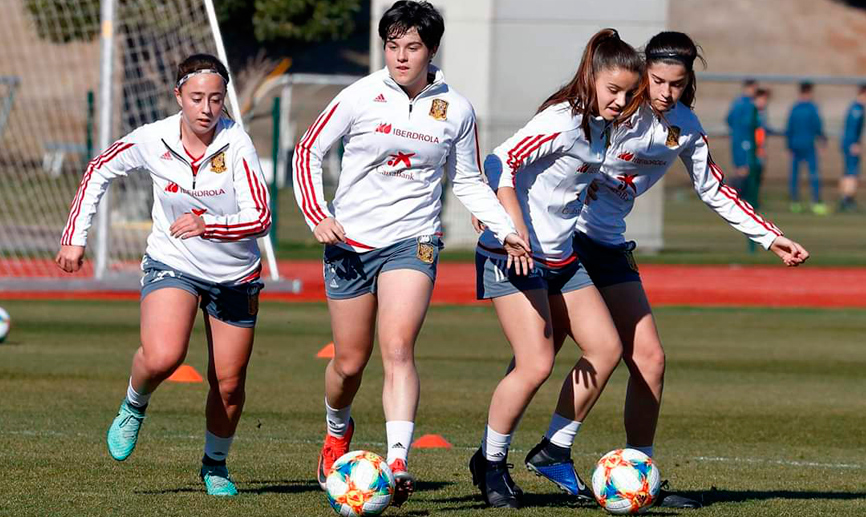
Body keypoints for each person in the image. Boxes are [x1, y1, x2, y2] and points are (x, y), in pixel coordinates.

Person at [524, 31, 810, 509]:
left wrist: (768, 235)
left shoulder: (684, 125)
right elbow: (541, 150)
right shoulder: (611, 109)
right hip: (565, 240)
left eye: (676, 84)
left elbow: (714, 187)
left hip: (609, 246)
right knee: (537, 358)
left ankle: (636, 471)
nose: (665, 92)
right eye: (658, 81)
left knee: (650, 360)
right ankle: (518, 455)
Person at [292, 0, 529, 507]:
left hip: (414, 240)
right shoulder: (358, 96)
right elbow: (307, 151)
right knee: (350, 363)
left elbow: (466, 177)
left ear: (432, 49)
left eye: (412, 46)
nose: (401, 56)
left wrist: (504, 227)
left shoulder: (457, 109)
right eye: (392, 45)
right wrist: (318, 214)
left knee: (398, 347)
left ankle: (397, 461)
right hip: (349, 243)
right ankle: (338, 430)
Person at [55, 54, 271, 497]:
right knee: (163, 355)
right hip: (173, 261)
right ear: (178, 97)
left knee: (228, 385)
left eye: (215, 98)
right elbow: (98, 169)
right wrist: (75, 236)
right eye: (196, 98)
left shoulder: (237, 145)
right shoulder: (152, 138)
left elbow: (262, 216)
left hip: (235, 275)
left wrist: (210, 225)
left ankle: (214, 465)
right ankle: (134, 404)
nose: (207, 108)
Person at [468, 28, 643, 509]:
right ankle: (491, 462)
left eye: (630, 93)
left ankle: (553, 448)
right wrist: (512, 229)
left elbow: (558, 180)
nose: (621, 100)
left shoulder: (602, 125)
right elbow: (498, 162)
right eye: (613, 91)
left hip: (561, 257)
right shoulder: (563, 119)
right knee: (536, 364)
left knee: (606, 349)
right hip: (514, 255)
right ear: (591, 78)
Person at [786, 82, 827, 214]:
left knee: (794, 175)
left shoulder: (794, 108)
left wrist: (788, 146)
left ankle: (795, 202)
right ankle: (816, 203)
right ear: (809, 92)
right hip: (809, 145)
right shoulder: (812, 108)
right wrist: (822, 142)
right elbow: (818, 126)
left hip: (795, 144)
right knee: (814, 174)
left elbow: (789, 128)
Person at [725, 78, 758, 192]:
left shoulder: (736, 102)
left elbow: (728, 119)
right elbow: (751, 123)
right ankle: (731, 193)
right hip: (745, 140)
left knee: (738, 168)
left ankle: (732, 194)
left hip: (735, 139)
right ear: (749, 88)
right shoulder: (749, 104)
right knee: (744, 169)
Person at [839, 84, 866, 212]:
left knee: (848, 172)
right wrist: (854, 144)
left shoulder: (857, 108)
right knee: (852, 172)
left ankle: (845, 199)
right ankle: (847, 200)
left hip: (849, 143)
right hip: (851, 144)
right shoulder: (857, 109)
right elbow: (851, 129)